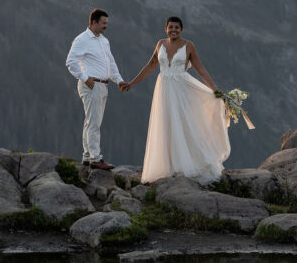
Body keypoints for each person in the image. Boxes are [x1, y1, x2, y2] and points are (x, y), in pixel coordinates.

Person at [122, 16, 230, 184]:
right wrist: (132, 83)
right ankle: (168, 166)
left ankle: (187, 165)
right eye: (170, 27)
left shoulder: (189, 46)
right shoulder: (160, 44)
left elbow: (200, 69)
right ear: (166, 28)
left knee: (183, 123)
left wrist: (214, 89)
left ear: (181, 29)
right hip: (164, 89)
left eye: (177, 27)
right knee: (165, 125)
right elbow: (151, 65)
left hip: (182, 89)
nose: (173, 30)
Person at [66, 9, 128, 170]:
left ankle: (87, 156)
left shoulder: (104, 41)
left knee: (91, 121)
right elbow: (71, 62)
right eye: (103, 23)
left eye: (106, 23)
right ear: (93, 22)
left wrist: (119, 80)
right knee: (94, 123)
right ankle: (95, 158)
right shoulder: (82, 39)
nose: (106, 26)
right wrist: (85, 78)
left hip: (103, 84)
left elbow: (110, 62)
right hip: (91, 84)